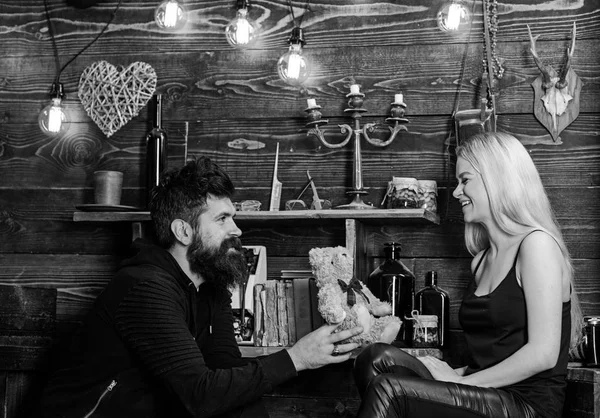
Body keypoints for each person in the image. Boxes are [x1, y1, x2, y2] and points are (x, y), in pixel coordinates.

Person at [41, 157, 363, 418]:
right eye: (222, 219)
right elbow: (200, 395)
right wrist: (297, 358)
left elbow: (229, 376)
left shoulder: (210, 287)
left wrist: (310, 354)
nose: (236, 229)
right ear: (183, 231)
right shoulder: (144, 287)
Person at [353, 132, 583, 418]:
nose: (456, 192)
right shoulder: (482, 260)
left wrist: (461, 382)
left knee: (390, 389)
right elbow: (494, 353)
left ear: (497, 179)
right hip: (484, 392)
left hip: (526, 405)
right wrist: (453, 373)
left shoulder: (536, 246)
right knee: (374, 358)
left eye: (465, 180)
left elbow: (544, 354)